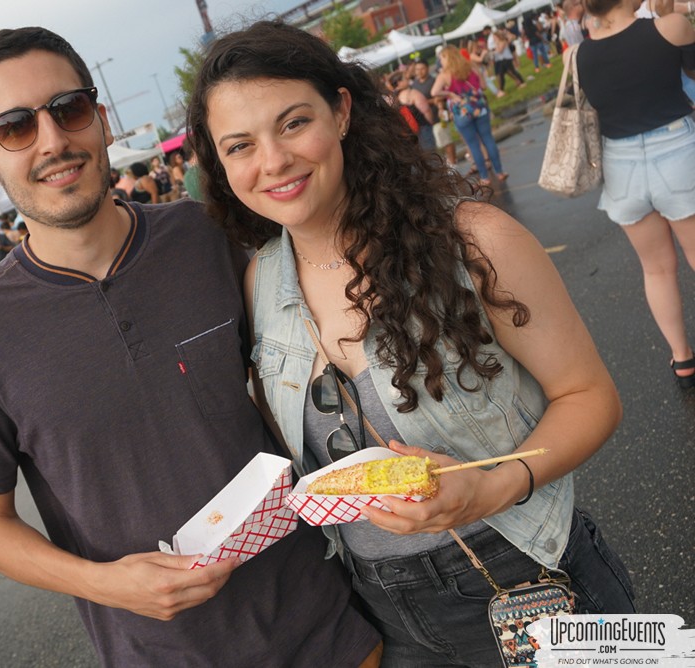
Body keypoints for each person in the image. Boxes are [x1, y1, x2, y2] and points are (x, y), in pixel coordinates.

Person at [0, 26, 381, 667]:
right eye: (14, 127)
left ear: (101, 120)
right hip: (162, 653)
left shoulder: (205, 237)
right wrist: (102, 582)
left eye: (69, 109)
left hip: (324, 623)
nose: (54, 140)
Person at [188, 20, 635, 665]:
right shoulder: (261, 282)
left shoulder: (473, 239)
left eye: (292, 123)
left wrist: (490, 488)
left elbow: (591, 397)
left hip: (525, 574)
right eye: (239, 146)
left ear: (341, 112)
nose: (273, 161)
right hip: (387, 615)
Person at [577, 0, 695, 388]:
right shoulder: (672, 26)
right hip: (676, 149)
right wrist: (663, 13)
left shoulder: (576, 54)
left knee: (656, 269)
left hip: (620, 165)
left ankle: (683, 360)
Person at [433, 45, 509, 186]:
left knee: (473, 144)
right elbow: (484, 86)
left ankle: (484, 177)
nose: (440, 61)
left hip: (461, 111)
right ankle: (500, 172)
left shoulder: (444, 75)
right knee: (488, 139)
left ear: (446, 58)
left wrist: (450, 93)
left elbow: (434, 92)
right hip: (479, 107)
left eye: (441, 58)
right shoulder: (471, 67)